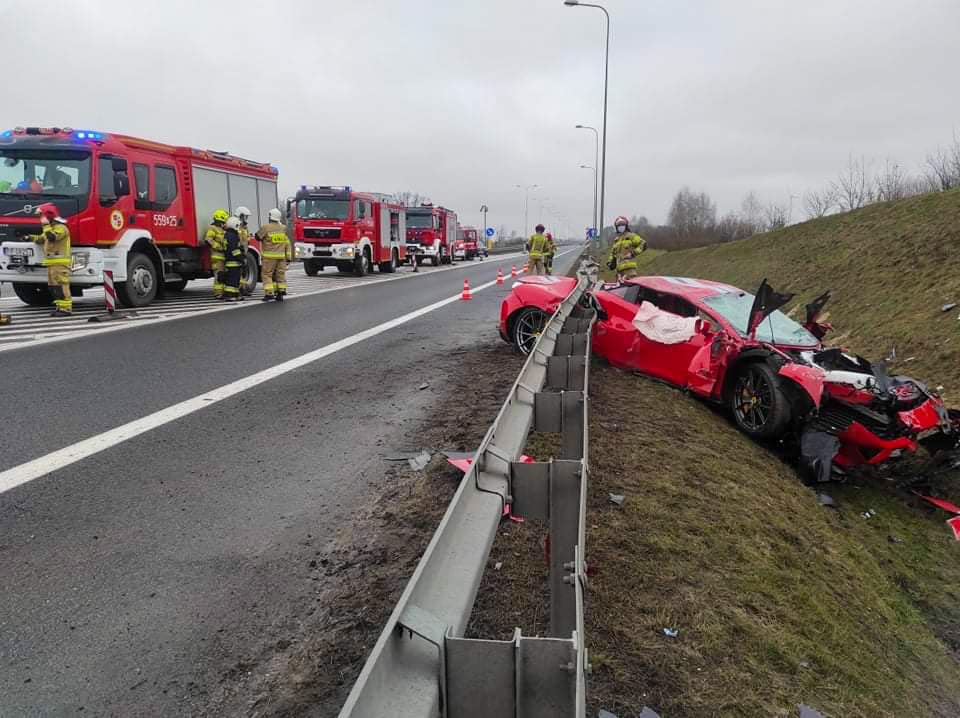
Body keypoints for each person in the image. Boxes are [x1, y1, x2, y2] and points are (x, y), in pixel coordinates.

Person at [31, 203, 72, 316]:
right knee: (55, 287)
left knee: (61, 284)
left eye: (42, 216)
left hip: (60, 262)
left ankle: (66, 309)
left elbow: (51, 238)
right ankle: (60, 307)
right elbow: (42, 239)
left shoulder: (61, 228)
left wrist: (45, 225)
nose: (40, 219)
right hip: (52, 263)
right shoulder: (51, 228)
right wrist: (29, 237)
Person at [256, 208, 291, 301]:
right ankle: (281, 292)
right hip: (281, 257)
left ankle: (269, 293)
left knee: (267, 275)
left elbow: (257, 237)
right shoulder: (283, 228)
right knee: (280, 274)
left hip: (269, 257)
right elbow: (287, 242)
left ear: (270, 217)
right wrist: (288, 257)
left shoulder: (266, 227)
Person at [607, 215, 647, 281]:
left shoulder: (631, 236)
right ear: (616, 227)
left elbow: (643, 244)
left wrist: (633, 253)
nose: (621, 226)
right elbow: (612, 253)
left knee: (631, 289)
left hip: (629, 271)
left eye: (622, 224)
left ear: (626, 225)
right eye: (619, 225)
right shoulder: (616, 240)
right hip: (619, 272)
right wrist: (610, 262)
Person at [204, 209, 229, 298]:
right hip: (217, 256)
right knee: (219, 275)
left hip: (224, 256)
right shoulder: (212, 228)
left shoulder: (222, 229)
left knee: (223, 275)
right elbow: (208, 239)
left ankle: (223, 292)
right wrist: (218, 247)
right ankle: (218, 293)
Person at [222, 217, 244, 301]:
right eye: (238, 225)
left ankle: (234, 294)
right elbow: (234, 250)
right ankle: (230, 295)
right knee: (233, 280)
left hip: (229, 261)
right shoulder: (232, 236)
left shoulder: (228, 234)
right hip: (233, 261)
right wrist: (241, 258)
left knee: (233, 279)